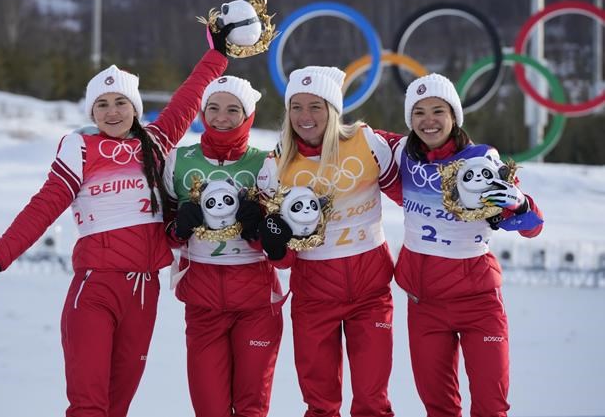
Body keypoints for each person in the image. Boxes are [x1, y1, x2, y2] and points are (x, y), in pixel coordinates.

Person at [0, 24, 233, 417]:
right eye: (101, 104)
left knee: (117, 406)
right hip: (94, 290)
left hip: (143, 293)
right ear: (91, 111)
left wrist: (218, 56)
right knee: (89, 406)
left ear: (135, 108)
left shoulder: (154, 143)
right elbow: (42, 208)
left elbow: (189, 98)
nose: (111, 111)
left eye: (120, 102)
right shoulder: (80, 148)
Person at [393, 73, 544, 417]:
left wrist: (520, 205)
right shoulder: (403, 158)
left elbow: (532, 227)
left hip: (478, 303)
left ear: (454, 116)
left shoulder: (481, 162)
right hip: (424, 303)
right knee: (439, 408)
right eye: (419, 113)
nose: (428, 121)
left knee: (491, 406)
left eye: (438, 111)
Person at [256, 66, 401, 417]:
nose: (305, 117)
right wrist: (275, 246)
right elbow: (286, 259)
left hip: (370, 293)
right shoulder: (275, 168)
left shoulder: (368, 143)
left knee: (372, 402)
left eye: (315, 106)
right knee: (321, 405)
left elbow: (411, 194)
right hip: (314, 297)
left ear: (333, 109)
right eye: (297, 107)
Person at [162, 75, 283, 417]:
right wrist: (179, 227)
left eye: (233, 109)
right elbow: (164, 232)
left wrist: (258, 228)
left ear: (248, 116)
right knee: (209, 409)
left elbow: (281, 242)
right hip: (202, 303)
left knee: (251, 408)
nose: (221, 117)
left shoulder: (266, 163)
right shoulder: (179, 160)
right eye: (213, 108)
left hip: (257, 303)